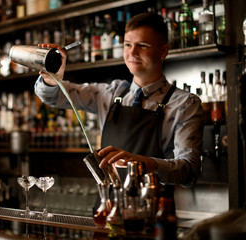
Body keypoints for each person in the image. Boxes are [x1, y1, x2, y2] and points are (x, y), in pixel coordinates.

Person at [34, 12, 204, 201]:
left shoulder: (184, 104)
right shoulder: (110, 94)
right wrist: (52, 78)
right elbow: (54, 97)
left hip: (155, 218)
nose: (132, 53)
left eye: (143, 46)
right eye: (128, 45)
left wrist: (143, 164)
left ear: (163, 51)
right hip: (107, 213)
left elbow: (189, 171)